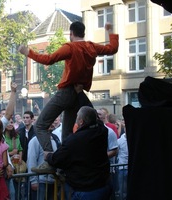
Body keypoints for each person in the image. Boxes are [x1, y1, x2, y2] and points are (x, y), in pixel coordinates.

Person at [18, 21, 119, 172]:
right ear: (83, 32)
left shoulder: (70, 47)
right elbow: (112, 48)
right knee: (67, 133)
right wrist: (110, 32)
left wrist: (28, 52)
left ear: (71, 33)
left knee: (40, 125)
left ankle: (49, 161)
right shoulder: (91, 47)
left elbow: (48, 59)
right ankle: (66, 166)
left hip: (66, 92)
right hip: (78, 94)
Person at [45, 106, 112, 200]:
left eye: (77, 117)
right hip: (103, 185)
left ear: (81, 121)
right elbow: (97, 121)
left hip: (86, 190)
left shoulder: (75, 140)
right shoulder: (102, 131)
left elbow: (57, 159)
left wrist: (48, 156)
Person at [27, 126, 61, 200]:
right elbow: (31, 160)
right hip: (40, 181)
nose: (51, 124)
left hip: (53, 180)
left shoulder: (55, 139)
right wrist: (33, 181)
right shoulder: (35, 140)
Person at [4, 118, 23, 200]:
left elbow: (20, 149)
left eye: (11, 122)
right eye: (8, 122)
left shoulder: (16, 136)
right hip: (7, 164)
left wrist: (20, 159)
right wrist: (11, 153)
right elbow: (0, 153)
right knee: (10, 191)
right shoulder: (2, 137)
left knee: (18, 188)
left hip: (17, 163)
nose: (10, 124)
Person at [116, 130, 128, 200]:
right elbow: (116, 152)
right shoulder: (120, 140)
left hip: (129, 167)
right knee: (122, 188)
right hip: (122, 167)